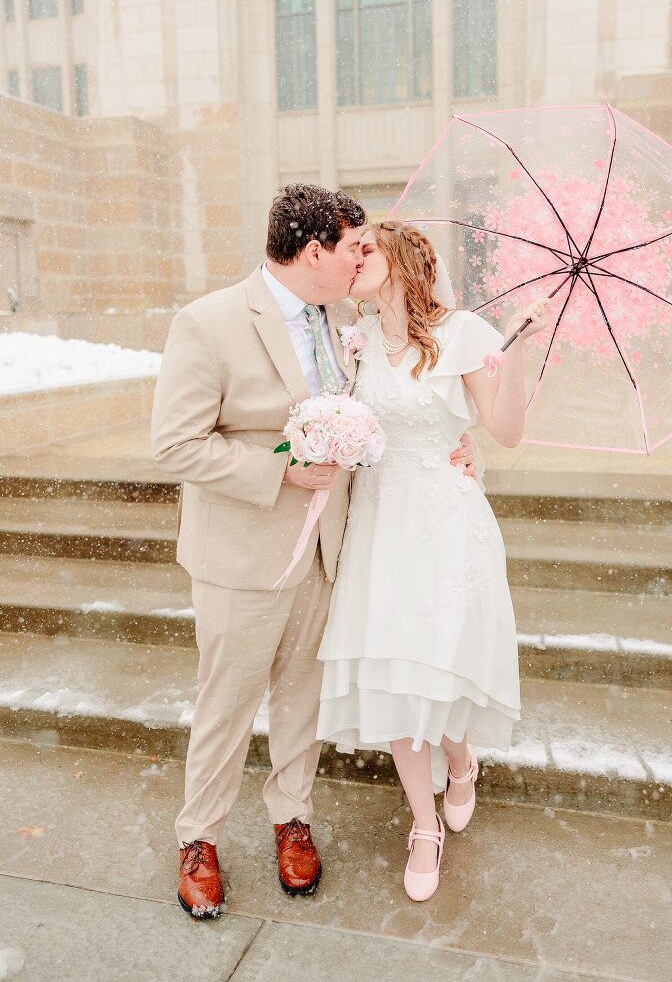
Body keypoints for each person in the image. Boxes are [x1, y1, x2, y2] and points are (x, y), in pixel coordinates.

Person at [151, 186, 477, 918]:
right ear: (313, 252)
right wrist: (280, 472)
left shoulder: (345, 321)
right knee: (226, 704)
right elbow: (175, 444)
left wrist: (458, 443)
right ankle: (198, 838)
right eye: (354, 247)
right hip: (242, 556)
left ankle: (291, 817)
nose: (363, 258)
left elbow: (404, 396)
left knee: (302, 700)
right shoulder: (209, 322)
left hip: (330, 551)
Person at [316, 221, 550, 902]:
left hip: (445, 522)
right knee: (396, 672)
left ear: (402, 260)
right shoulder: (354, 341)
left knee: (436, 662)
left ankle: (460, 757)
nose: (355, 258)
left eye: (366, 249)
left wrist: (514, 360)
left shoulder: (466, 333)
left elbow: (504, 432)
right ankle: (424, 824)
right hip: (380, 523)